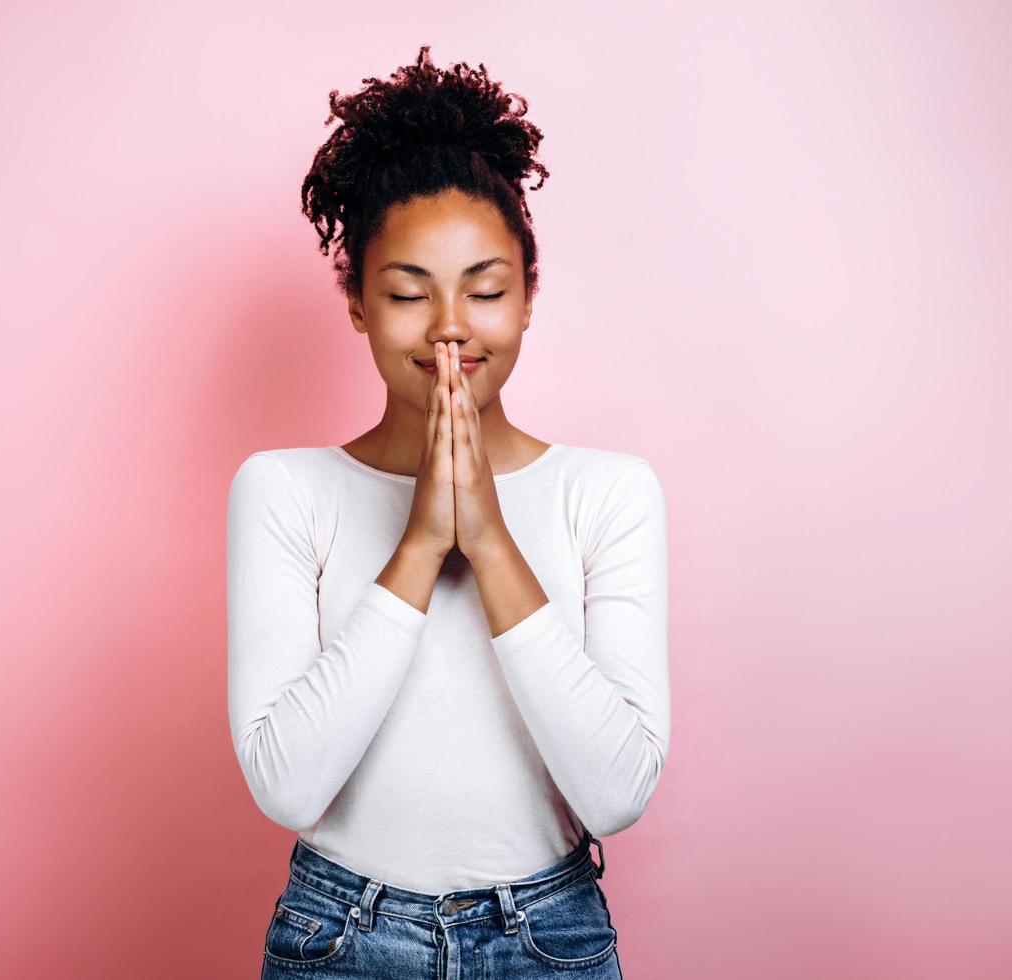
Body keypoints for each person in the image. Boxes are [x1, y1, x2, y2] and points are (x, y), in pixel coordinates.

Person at [227, 45, 669, 978]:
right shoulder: (284, 491)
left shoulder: (609, 493)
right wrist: (423, 543)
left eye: (485, 289)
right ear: (355, 299)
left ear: (528, 294)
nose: (448, 328)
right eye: (405, 293)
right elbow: (287, 783)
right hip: (341, 936)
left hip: (549, 940)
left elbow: (617, 792)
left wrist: (492, 541)